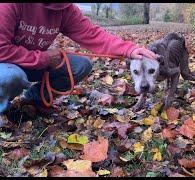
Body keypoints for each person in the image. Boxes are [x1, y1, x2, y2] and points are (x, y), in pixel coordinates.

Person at [0, 3, 157, 121]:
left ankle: (34, 100)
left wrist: (129, 49)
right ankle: (4, 111)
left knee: (81, 66)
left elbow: (91, 33)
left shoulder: (64, 8)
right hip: (5, 63)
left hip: (34, 62)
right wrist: (43, 58)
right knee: (9, 77)